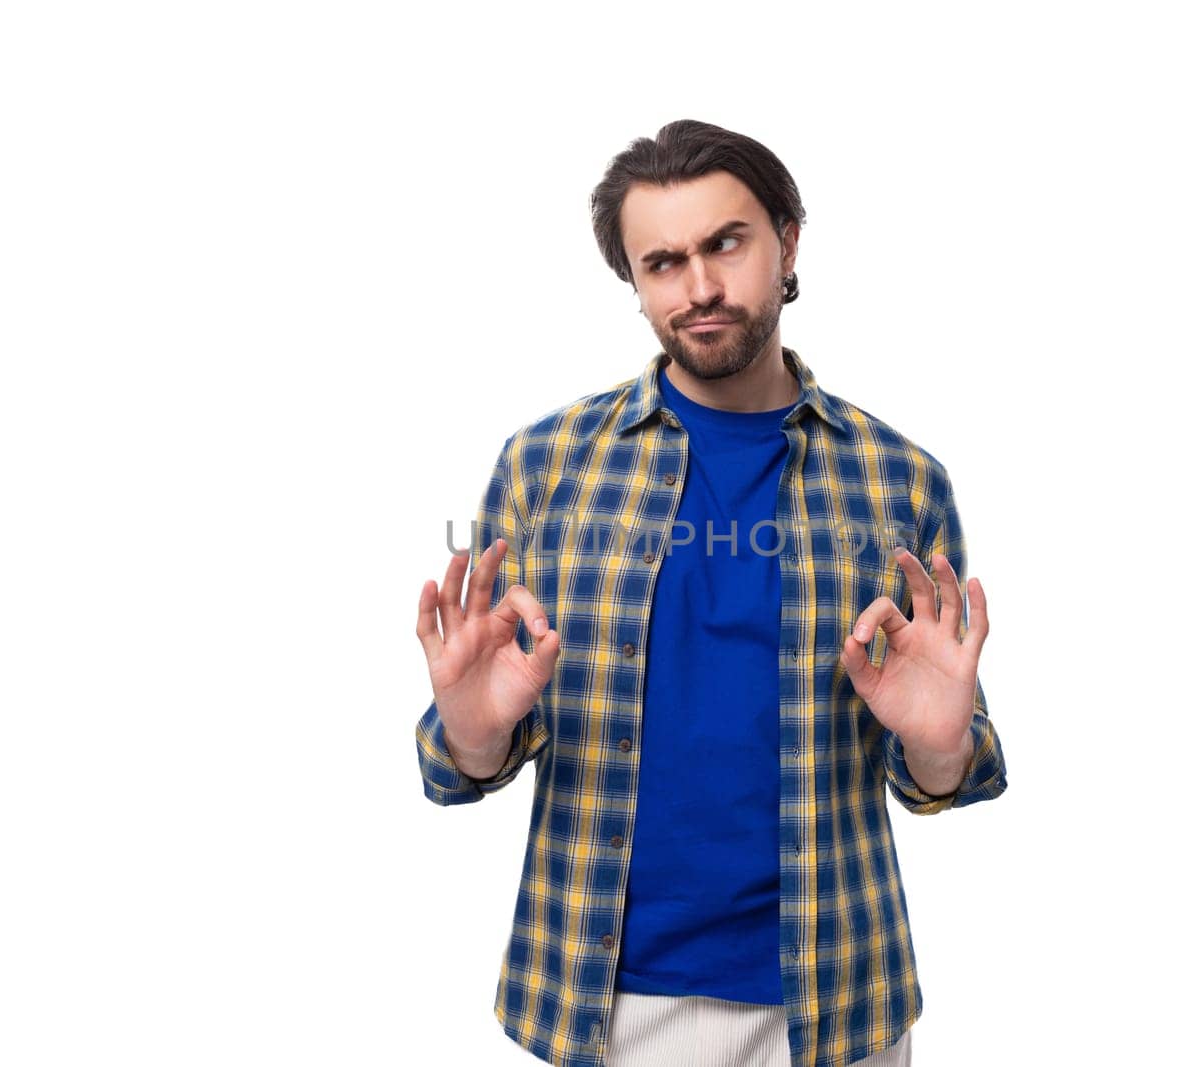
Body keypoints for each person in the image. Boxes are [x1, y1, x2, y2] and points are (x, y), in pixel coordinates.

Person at [414, 119, 1008, 1067]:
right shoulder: (546, 465)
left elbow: (943, 770)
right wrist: (476, 731)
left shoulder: (902, 483)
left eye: (725, 243)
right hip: (602, 1001)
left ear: (788, 242)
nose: (697, 288)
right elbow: (471, 752)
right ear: (637, 282)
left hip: (841, 1000)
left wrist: (938, 747)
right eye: (662, 262)